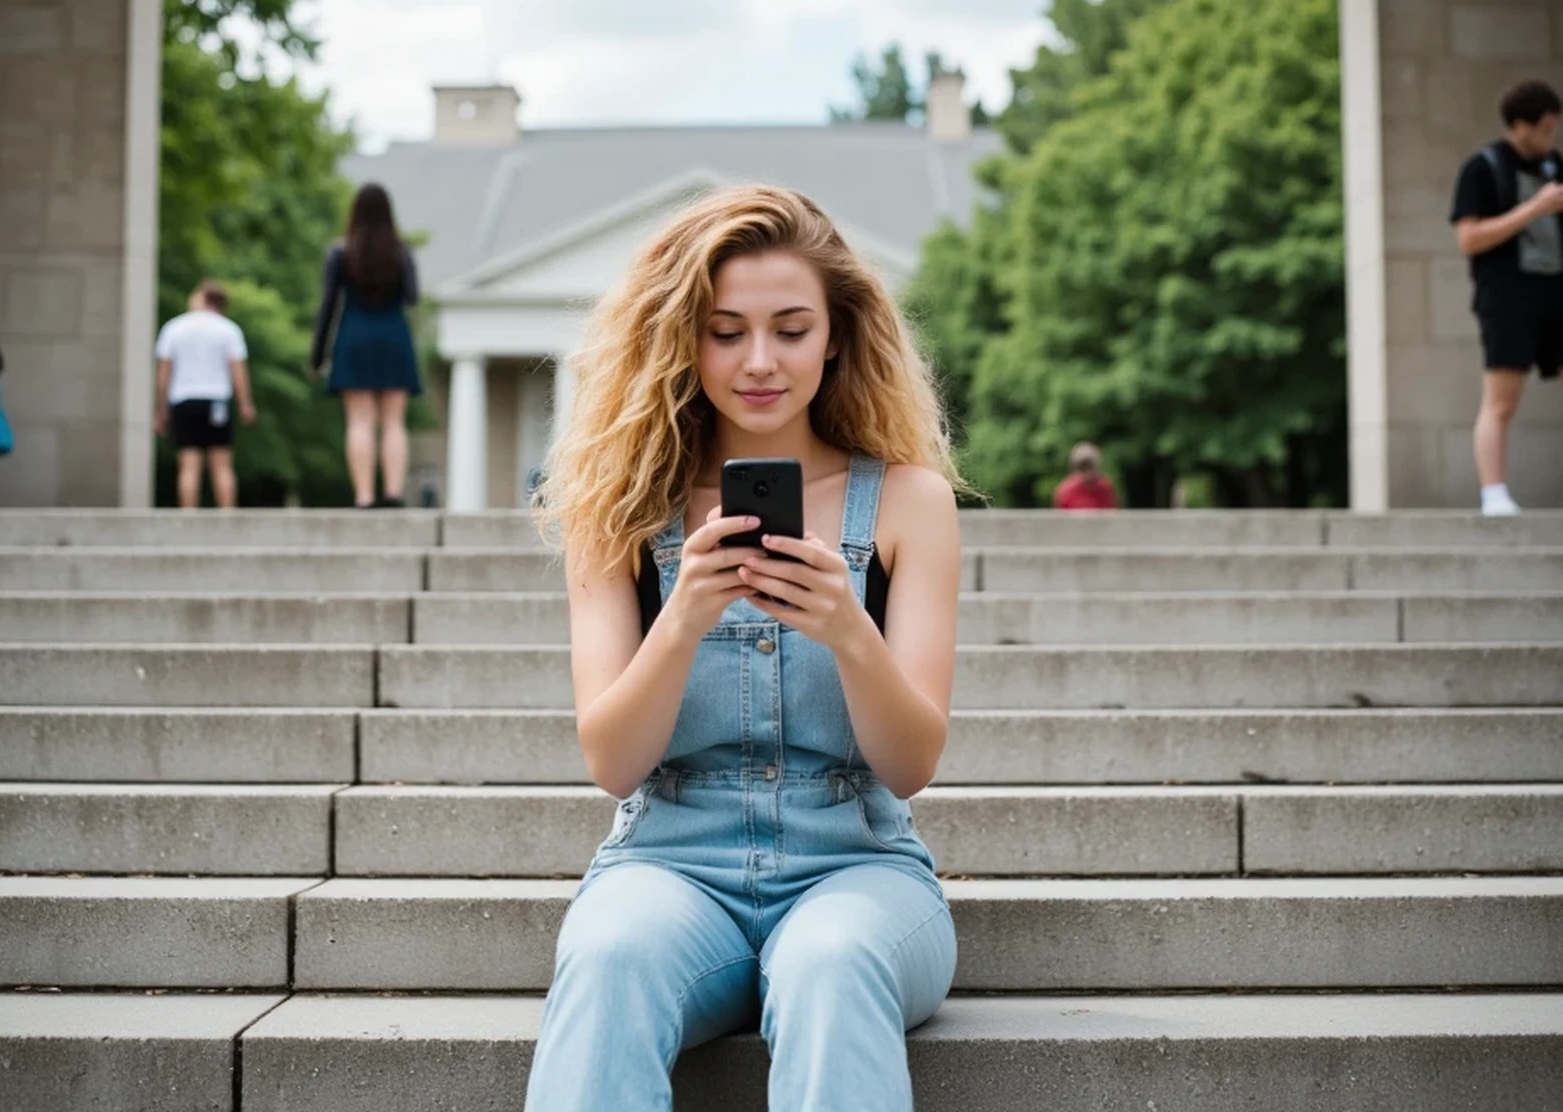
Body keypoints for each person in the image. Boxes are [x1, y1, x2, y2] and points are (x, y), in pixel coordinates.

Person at [524, 185, 964, 1111]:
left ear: (836, 335)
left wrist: (850, 630)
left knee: (833, 963)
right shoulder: (619, 513)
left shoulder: (908, 503)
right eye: (725, 331)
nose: (759, 361)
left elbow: (913, 762)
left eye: (791, 329)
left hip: (859, 868)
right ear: (683, 337)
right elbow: (612, 762)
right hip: (667, 865)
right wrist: (682, 615)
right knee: (606, 960)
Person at [1449, 80, 1563, 515]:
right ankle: (1494, 495)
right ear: (1519, 126)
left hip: (1561, 296)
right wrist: (1535, 208)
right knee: (1501, 402)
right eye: (1545, 129)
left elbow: (1561, 228)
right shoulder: (1482, 168)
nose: (1551, 138)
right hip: (1508, 300)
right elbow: (1468, 238)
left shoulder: (1552, 163)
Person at [310, 183, 422, 509]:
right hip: (393, 334)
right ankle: (393, 493)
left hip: (354, 334)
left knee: (359, 420)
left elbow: (328, 306)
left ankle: (364, 495)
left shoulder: (340, 252)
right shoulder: (401, 252)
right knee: (393, 420)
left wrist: (318, 356)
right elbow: (412, 296)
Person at [153, 281, 256, 509]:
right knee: (222, 465)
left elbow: (163, 374)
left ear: (202, 297)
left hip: (184, 400)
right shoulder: (229, 330)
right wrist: (245, 404)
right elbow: (238, 371)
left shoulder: (174, 328)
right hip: (217, 401)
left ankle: (188, 520)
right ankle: (227, 516)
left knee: (189, 465)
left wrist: (161, 409)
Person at [1051, 441, 1120, 510]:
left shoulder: (1104, 487)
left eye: (1090, 467)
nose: (1087, 473)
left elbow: (1111, 513)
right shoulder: (1066, 490)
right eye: (1083, 468)